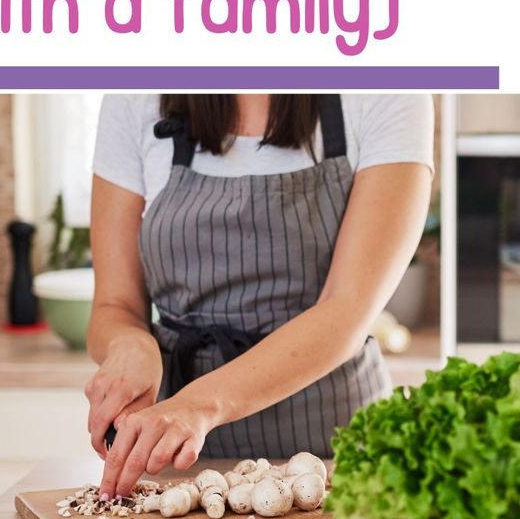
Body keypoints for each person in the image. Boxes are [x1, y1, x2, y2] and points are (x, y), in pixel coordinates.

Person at [86, 93, 433, 496]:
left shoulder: (388, 88)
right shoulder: (136, 95)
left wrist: (198, 406)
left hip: (337, 466)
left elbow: (347, 310)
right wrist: (130, 343)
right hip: (175, 467)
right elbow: (114, 306)